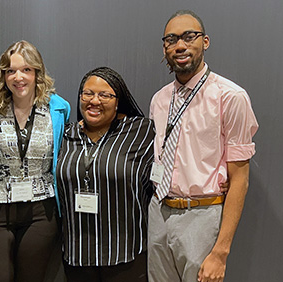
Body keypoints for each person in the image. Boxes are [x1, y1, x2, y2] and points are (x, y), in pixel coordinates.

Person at [148, 10, 259, 282]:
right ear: (165, 48)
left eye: (189, 36)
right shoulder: (160, 100)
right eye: (171, 39)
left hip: (201, 214)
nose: (180, 45)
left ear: (205, 42)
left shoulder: (230, 97)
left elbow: (240, 178)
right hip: (158, 211)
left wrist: (220, 252)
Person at [0, 40, 70, 282]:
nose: (19, 77)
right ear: (3, 75)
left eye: (26, 69)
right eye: (11, 70)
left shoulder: (58, 108)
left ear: (37, 72)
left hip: (41, 211)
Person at [56, 67, 154, 281]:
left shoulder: (141, 131)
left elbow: (170, 167)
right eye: (88, 93)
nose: (95, 101)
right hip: (76, 253)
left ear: (118, 101)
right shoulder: (64, 134)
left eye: (105, 95)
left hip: (125, 253)